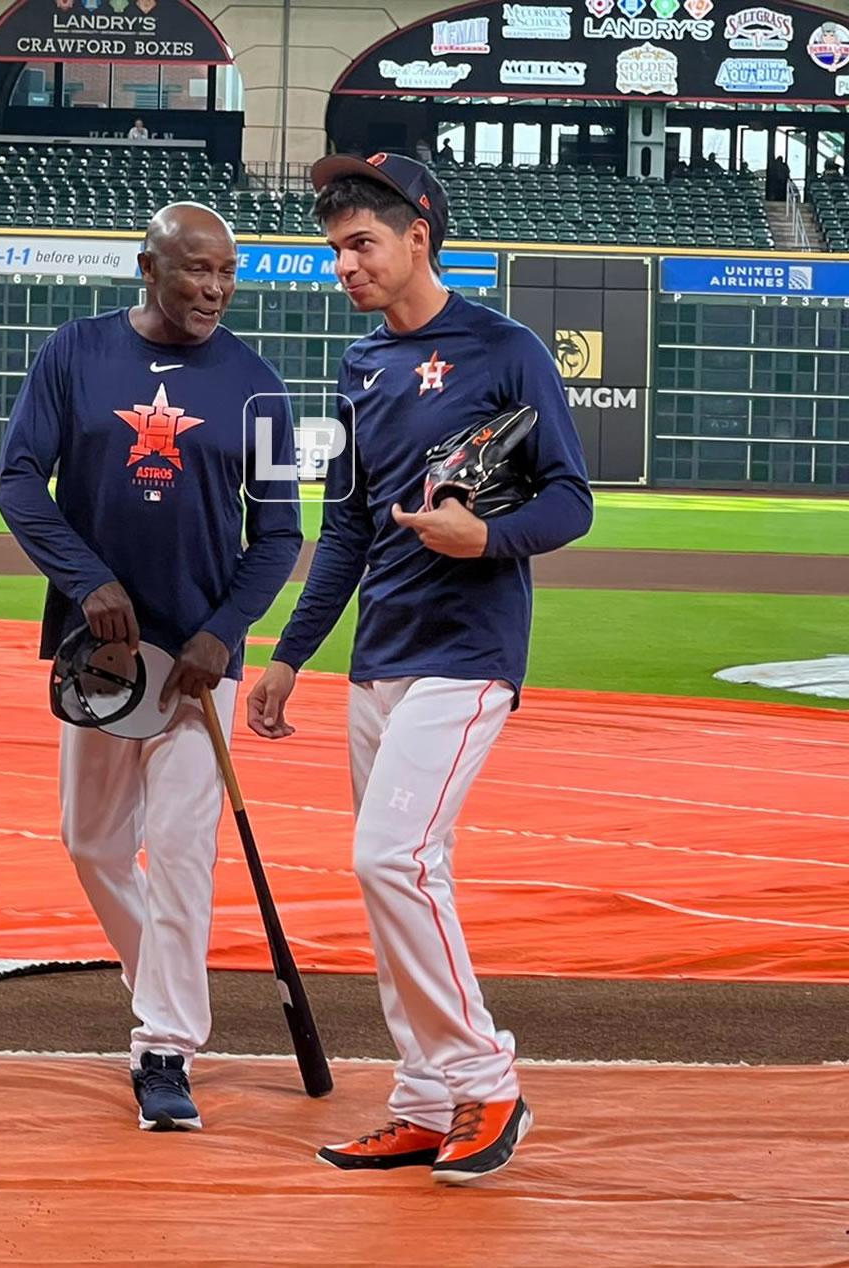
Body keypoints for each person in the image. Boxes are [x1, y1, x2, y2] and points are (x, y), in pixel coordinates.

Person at [247, 153, 593, 1183]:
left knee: (388, 858)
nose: (344, 266)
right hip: (379, 654)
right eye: (334, 251)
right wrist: (292, 653)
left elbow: (570, 499)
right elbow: (344, 527)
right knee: (403, 876)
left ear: (417, 239)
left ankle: (488, 1083)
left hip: (469, 649)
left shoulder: (506, 346)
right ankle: (425, 1097)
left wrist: (483, 541)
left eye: (361, 245)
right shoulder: (358, 366)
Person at [0, 203, 302, 1132]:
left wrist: (225, 633)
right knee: (90, 843)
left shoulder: (258, 385)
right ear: (149, 267)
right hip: (104, 660)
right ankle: (160, 978)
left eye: (228, 274)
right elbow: (17, 480)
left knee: (176, 852)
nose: (213, 288)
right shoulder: (74, 355)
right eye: (196, 270)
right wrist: (86, 581)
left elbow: (280, 530)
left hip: (197, 670)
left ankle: (164, 1048)